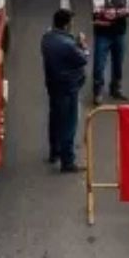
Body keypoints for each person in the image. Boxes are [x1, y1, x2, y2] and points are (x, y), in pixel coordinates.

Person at [40, 10, 90, 172]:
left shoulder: (47, 38)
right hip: (68, 87)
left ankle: (54, 151)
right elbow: (82, 58)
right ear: (67, 24)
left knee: (55, 118)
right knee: (69, 123)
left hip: (53, 84)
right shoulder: (68, 44)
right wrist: (83, 45)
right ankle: (67, 160)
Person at [88, 0, 129, 104]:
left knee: (118, 63)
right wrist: (120, 11)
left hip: (119, 32)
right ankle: (97, 92)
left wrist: (113, 12)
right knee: (99, 64)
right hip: (103, 33)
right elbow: (98, 10)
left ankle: (116, 89)